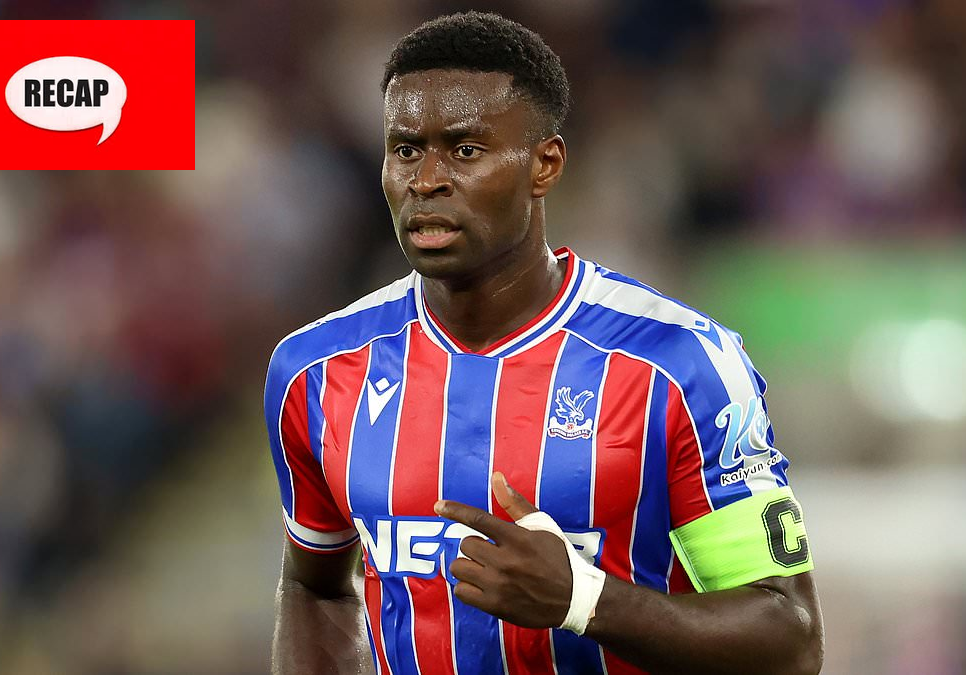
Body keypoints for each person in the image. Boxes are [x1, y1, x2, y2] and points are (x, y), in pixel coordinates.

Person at [264, 11, 822, 674]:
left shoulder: (678, 364)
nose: (426, 179)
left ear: (545, 165)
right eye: (406, 150)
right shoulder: (316, 370)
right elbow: (316, 584)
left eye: (464, 151)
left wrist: (584, 600)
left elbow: (789, 637)